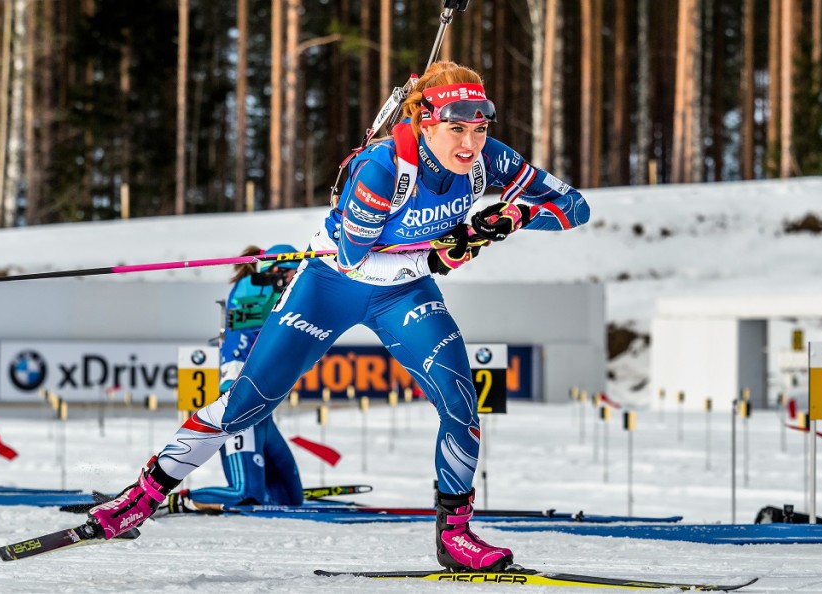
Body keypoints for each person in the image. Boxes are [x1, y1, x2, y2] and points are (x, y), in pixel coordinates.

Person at [89, 61, 590, 572]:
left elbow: (575, 207)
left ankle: (455, 535)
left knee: (461, 403)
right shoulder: (383, 166)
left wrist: (514, 215)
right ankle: (140, 500)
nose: (469, 144)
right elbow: (354, 257)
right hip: (329, 286)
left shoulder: (489, 161)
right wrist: (437, 256)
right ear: (425, 122)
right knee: (245, 406)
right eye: (456, 129)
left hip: (403, 295)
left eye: (479, 129)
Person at [159, 245, 305, 516]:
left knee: (290, 499)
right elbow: (271, 286)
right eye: (292, 275)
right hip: (238, 405)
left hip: (261, 412)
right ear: (275, 271)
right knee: (245, 494)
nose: (296, 282)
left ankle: (241, 490)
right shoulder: (252, 287)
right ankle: (172, 501)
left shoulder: (271, 293)